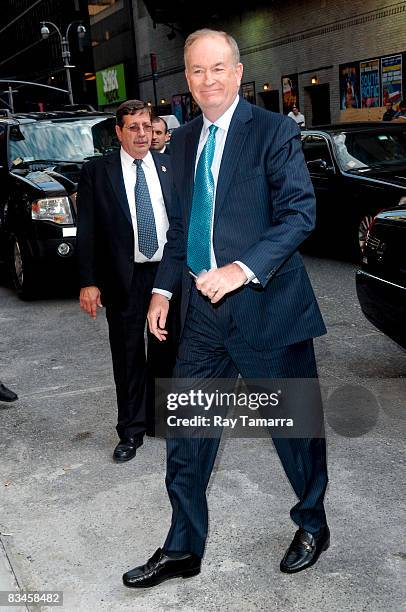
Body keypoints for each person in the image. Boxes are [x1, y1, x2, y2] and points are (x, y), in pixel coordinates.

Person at [122, 29, 329, 589]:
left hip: (268, 309)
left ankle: (312, 522)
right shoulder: (182, 142)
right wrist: (163, 291)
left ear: (238, 72)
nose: (208, 79)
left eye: (218, 68)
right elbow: (182, 230)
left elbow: (297, 215)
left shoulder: (274, 131)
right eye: (196, 70)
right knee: (187, 435)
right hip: (203, 320)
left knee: (295, 433)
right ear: (185, 80)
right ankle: (183, 547)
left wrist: (243, 268)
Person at [76, 99, 178, 463]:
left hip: (166, 275)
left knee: (166, 350)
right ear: (118, 132)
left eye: (146, 126)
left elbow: (181, 223)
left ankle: (162, 423)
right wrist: (88, 281)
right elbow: (86, 230)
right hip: (124, 277)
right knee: (128, 354)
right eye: (133, 127)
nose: (141, 134)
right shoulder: (97, 173)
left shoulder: (170, 165)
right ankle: (130, 431)